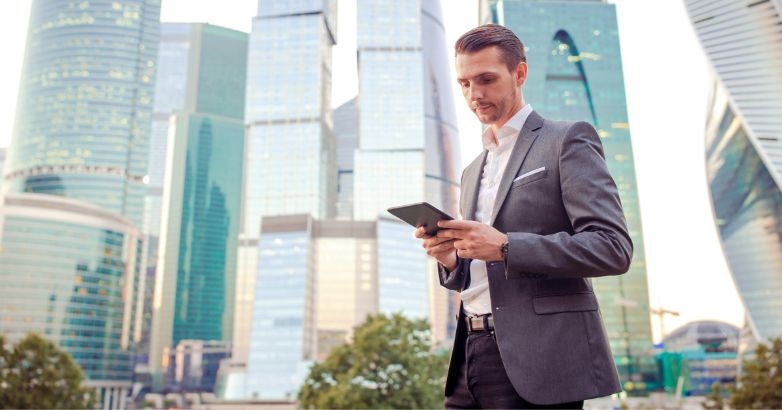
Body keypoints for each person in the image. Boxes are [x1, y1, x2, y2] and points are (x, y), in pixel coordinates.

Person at [415, 24, 633, 409]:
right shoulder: (471, 171)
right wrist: (451, 258)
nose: (474, 94)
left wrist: (505, 246)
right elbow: (481, 271)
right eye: (464, 83)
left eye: (486, 79)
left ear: (520, 74)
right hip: (470, 351)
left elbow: (612, 248)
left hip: (542, 358)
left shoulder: (567, 140)